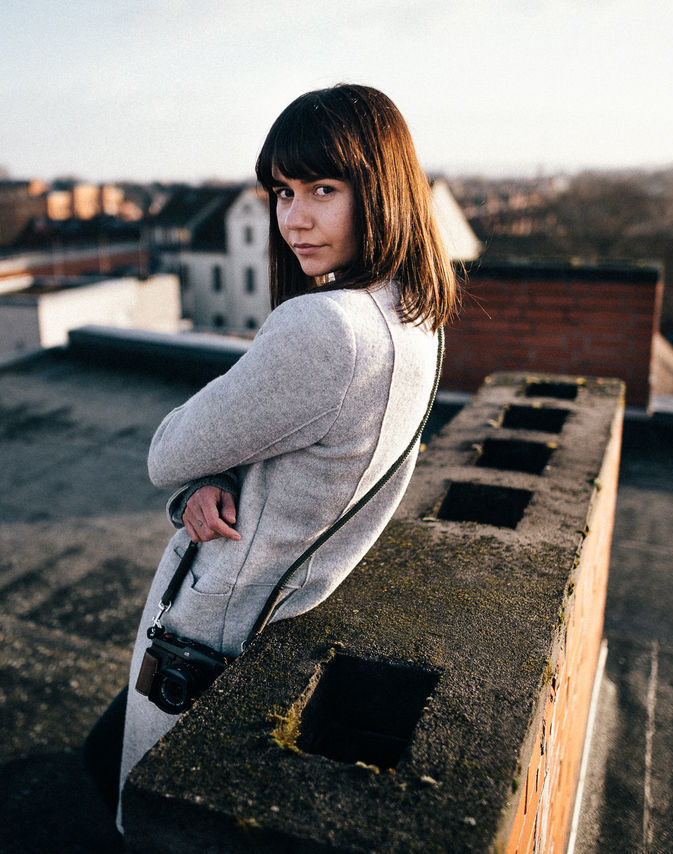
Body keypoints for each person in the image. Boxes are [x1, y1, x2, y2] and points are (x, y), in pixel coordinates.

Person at [97, 83, 459, 833]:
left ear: (382, 191)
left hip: (211, 634)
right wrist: (219, 474)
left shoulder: (326, 327)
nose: (294, 218)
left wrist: (198, 471)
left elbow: (167, 450)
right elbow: (299, 441)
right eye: (282, 191)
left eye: (322, 190)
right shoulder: (416, 316)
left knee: (153, 821)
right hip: (284, 610)